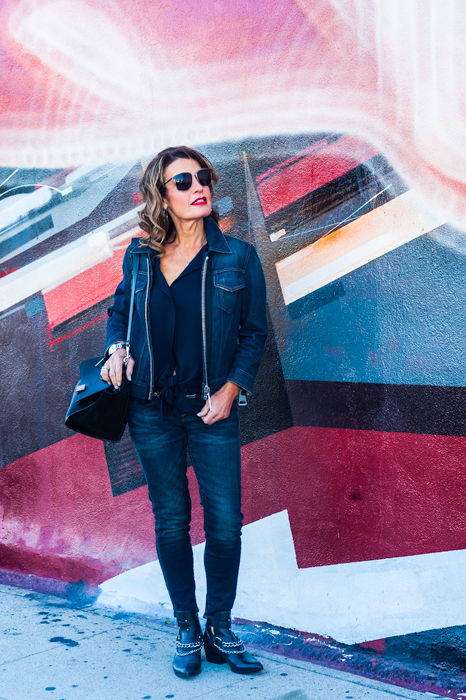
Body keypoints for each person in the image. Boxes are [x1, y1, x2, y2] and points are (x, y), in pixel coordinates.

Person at [102, 146, 268, 679]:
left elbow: (254, 333)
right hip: (151, 410)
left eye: (203, 177)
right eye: (182, 182)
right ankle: (187, 627)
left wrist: (231, 389)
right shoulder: (141, 254)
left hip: (211, 410)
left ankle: (219, 626)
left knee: (225, 523)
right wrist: (115, 350)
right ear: (162, 197)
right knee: (171, 519)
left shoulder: (237, 257)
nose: (198, 187)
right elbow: (119, 312)